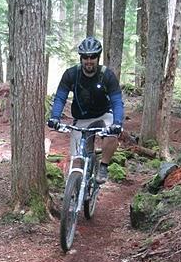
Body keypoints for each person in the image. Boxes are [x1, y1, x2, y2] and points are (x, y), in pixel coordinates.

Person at [47, 36, 124, 184]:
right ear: (81, 58)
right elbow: (60, 97)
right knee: (77, 160)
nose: (89, 60)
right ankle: (75, 193)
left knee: (112, 136)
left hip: (103, 114)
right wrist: (55, 117)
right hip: (81, 119)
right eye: (85, 57)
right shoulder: (71, 74)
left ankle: (103, 166)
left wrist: (117, 123)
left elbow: (116, 101)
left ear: (98, 57)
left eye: (93, 57)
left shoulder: (107, 75)